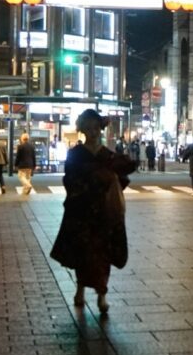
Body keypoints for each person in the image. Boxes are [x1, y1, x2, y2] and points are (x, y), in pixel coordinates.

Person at [50, 110, 136, 314]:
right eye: (88, 128)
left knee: (102, 253)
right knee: (84, 251)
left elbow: (122, 174)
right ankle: (80, 290)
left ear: (101, 128)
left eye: (96, 127)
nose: (93, 132)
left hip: (103, 212)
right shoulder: (76, 154)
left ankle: (101, 294)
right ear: (82, 130)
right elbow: (69, 180)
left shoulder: (108, 154)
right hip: (82, 210)